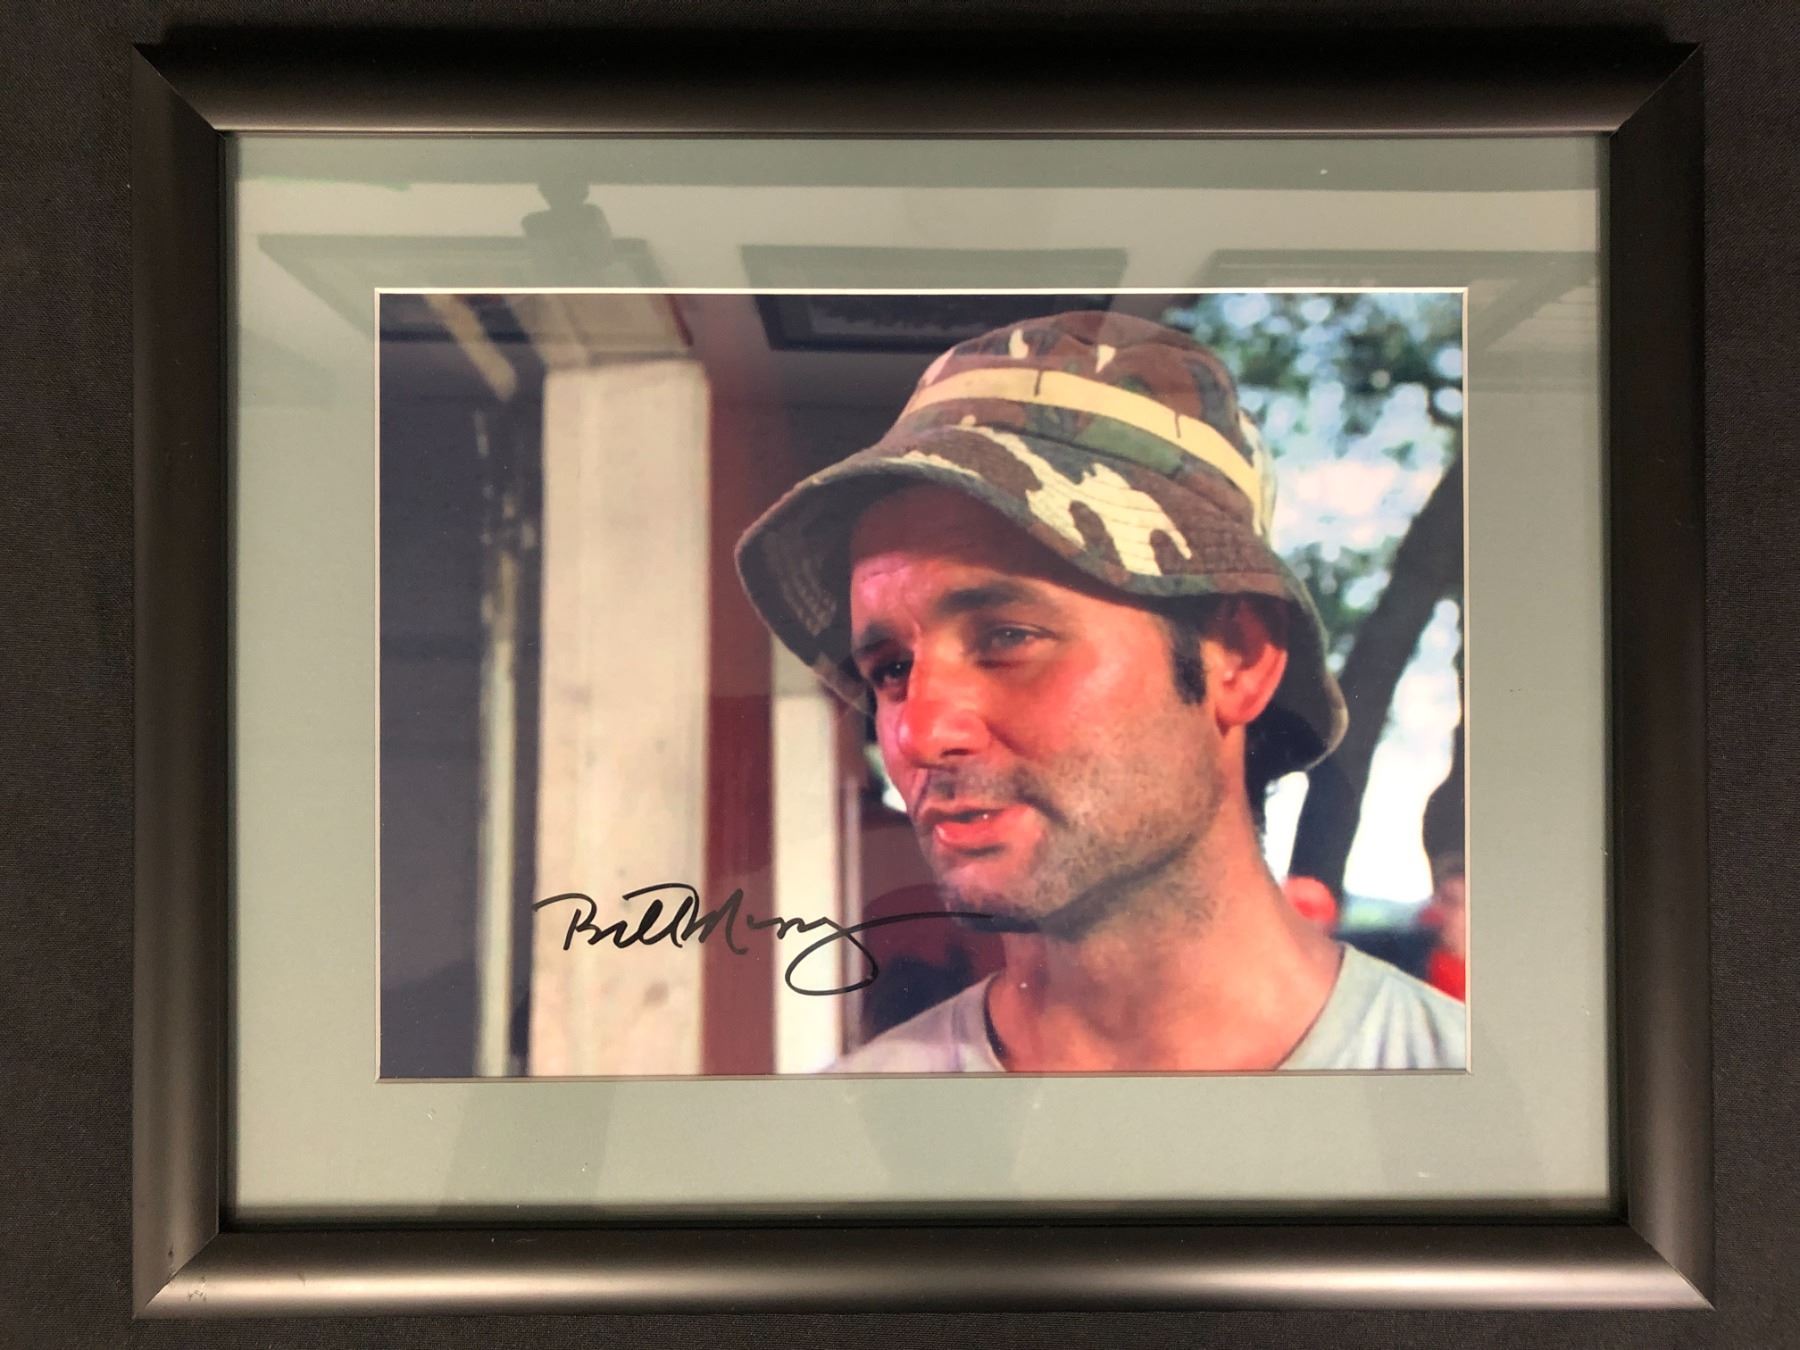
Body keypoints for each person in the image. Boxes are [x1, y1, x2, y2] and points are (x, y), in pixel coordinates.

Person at [736, 310, 1464, 1072]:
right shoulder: (844, 1123)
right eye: (891, 669)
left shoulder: (1476, 1105)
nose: (919, 733)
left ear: (1239, 658)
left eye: (1007, 637)